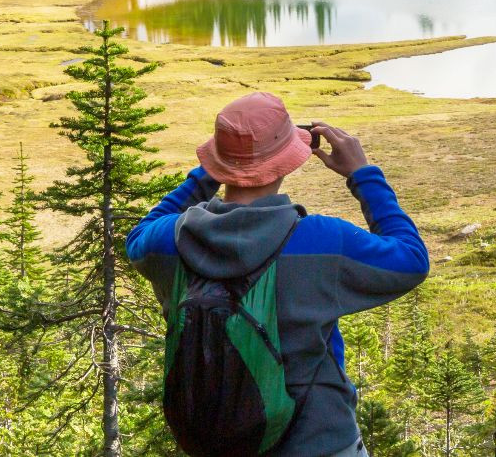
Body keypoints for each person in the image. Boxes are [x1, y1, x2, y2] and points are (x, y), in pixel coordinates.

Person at [127, 92, 429, 457]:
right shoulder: (324, 241)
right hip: (320, 441)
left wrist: (209, 174)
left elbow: (138, 237)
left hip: (216, 444)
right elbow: (411, 260)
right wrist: (364, 176)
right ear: (289, 161)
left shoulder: (170, 241)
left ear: (217, 162)